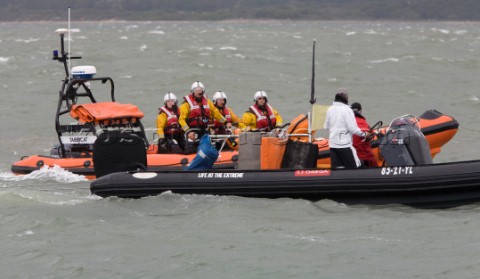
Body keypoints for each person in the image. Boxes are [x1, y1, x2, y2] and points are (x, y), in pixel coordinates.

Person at [179, 81, 232, 154]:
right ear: (193, 91)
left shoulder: (207, 101)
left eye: (200, 90)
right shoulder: (186, 104)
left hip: (204, 130)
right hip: (192, 131)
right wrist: (188, 132)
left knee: (208, 148)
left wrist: (226, 122)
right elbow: (181, 120)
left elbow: (216, 114)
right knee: (191, 150)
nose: (199, 92)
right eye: (197, 90)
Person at [324, 89, 370, 169]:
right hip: (345, 146)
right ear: (345, 99)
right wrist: (364, 134)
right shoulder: (347, 110)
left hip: (333, 145)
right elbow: (353, 129)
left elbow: (326, 126)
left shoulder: (329, 109)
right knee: (355, 167)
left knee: (338, 168)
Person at [351, 102, 378, 167]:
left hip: (354, 155)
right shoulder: (363, 122)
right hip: (366, 155)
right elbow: (368, 135)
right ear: (360, 111)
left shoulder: (349, 122)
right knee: (375, 167)